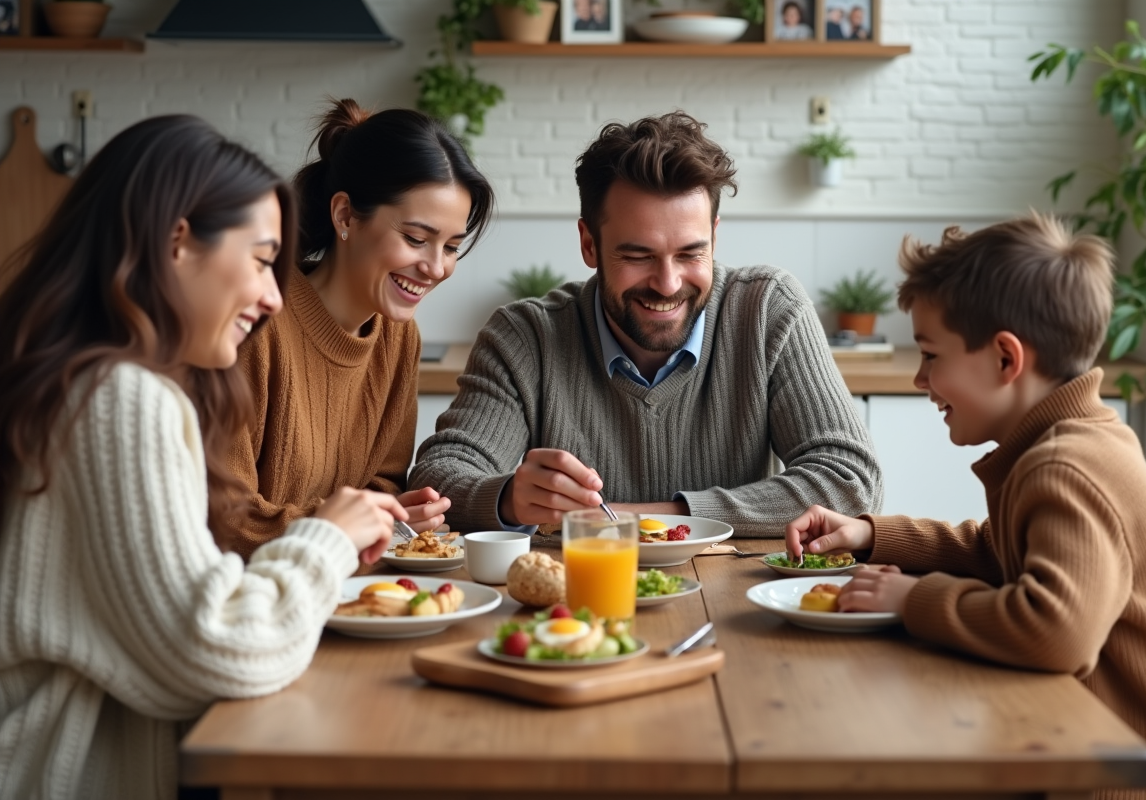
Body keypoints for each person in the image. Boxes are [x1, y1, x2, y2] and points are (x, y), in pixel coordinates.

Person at [0, 116, 404, 800]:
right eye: (260, 260)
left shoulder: (77, 378)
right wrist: (325, 540)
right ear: (178, 241)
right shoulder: (121, 397)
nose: (275, 298)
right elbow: (220, 648)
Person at [784, 214, 1146, 800]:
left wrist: (911, 599)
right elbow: (995, 550)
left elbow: (1054, 631)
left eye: (932, 355)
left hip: (1140, 781)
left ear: (1006, 359)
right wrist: (871, 534)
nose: (922, 378)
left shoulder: (1067, 466)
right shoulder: (1072, 441)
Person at [411, 111, 881, 537]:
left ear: (715, 237)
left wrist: (644, 518)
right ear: (589, 244)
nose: (668, 283)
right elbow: (438, 478)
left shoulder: (767, 312)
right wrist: (510, 499)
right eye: (638, 256)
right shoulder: (526, 337)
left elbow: (851, 481)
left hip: (742, 601)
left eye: (691, 253)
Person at [226, 99, 494, 559]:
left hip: (343, 589)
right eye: (415, 238)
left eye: (451, 246)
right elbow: (224, 515)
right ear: (346, 216)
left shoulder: (397, 337)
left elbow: (382, 481)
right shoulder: (254, 322)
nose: (435, 268)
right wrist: (348, 529)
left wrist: (394, 515)